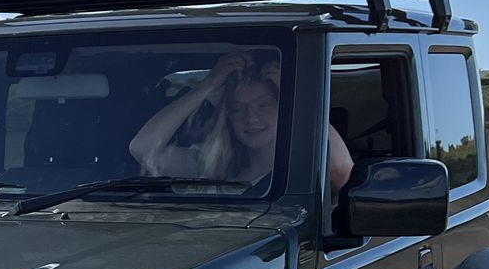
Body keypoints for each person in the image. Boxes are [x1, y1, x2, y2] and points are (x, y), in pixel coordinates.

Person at [130, 51, 353, 197]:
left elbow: (340, 167)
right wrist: (208, 85)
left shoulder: (303, 171)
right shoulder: (207, 165)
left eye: (263, 105)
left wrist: (297, 94)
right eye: (237, 108)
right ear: (227, 114)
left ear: (285, 108)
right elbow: (142, 149)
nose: (251, 118)